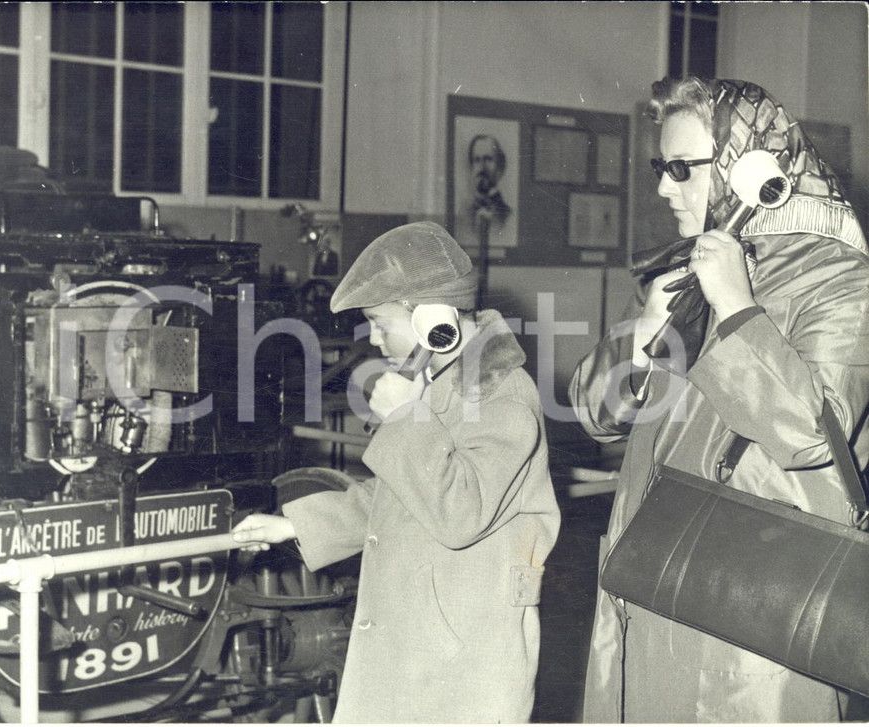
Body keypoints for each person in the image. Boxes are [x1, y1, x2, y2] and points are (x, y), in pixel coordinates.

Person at [570, 76, 869, 722]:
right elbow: (597, 413)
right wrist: (640, 336)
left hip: (746, 634)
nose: (661, 187)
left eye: (681, 168)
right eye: (659, 166)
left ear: (750, 169)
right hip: (641, 594)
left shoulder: (840, 279)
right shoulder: (677, 271)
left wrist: (737, 308)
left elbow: (813, 433)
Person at [233, 221, 561, 723]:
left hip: (465, 656)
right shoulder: (440, 382)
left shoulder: (502, 395)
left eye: (382, 322)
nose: (377, 339)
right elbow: (397, 497)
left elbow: (461, 511)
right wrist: (297, 525)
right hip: (420, 638)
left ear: (434, 317)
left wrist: (407, 417)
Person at [467, 134, 512, 233]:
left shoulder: (508, 215)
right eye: (477, 160)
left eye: (488, 159)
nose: (482, 167)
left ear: (500, 166)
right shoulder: (467, 213)